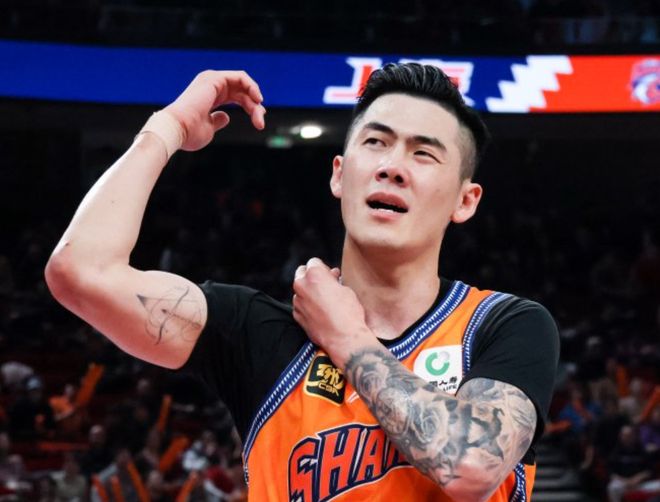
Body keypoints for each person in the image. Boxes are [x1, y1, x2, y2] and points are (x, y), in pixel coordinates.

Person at [45, 64, 559, 501]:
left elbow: (470, 465)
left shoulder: (504, 325)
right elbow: (80, 272)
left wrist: (347, 338)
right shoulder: (257, 333)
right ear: (339, 174)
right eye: (376, 142)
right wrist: (168, 127)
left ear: (465, 201)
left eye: (423, 154)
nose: (392, 167)